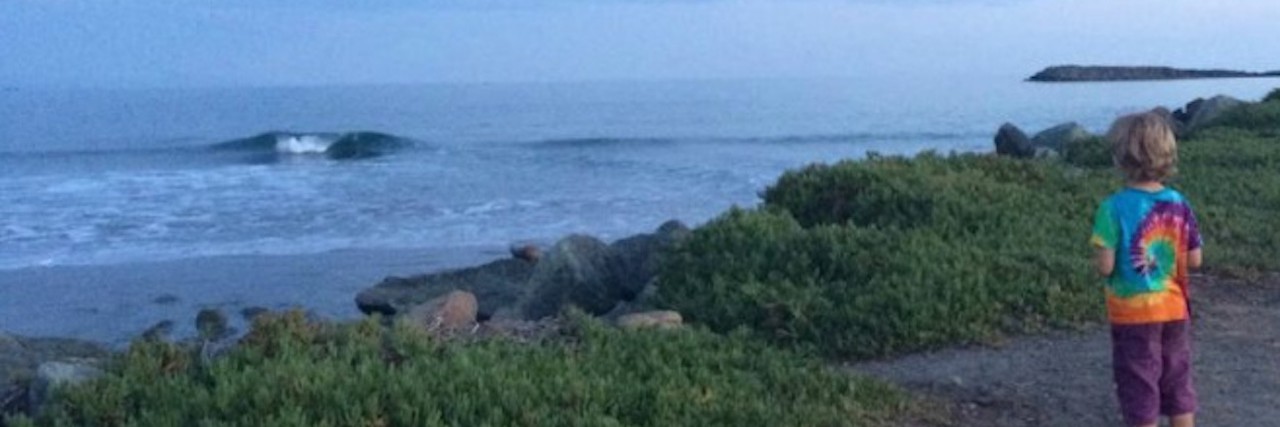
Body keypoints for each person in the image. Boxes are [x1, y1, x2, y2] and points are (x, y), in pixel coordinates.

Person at [1090, 111, 1203, 427]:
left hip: (1133, 315)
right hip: (1175, 309)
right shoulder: (1179, 202)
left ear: (1120, 159)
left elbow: (1105, 265)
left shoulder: (1112, 208)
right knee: (1177, 381)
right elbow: (1195, 259)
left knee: (1140, 387)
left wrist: (1099, 258)